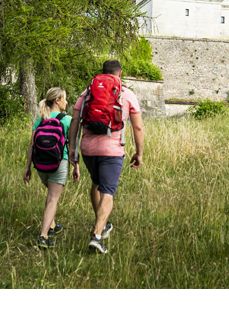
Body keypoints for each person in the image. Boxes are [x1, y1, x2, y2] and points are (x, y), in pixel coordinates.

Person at [68, 59, 144, 254]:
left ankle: (102, 224)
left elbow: (75, 119)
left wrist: (72, 149)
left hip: (88, 149)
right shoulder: (126, 93)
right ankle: (97, 235)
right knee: (108, 191)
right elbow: (138, 127)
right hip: (113, 149)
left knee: (96, 183)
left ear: (102, 73)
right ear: (120, 74)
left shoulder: (88, 92)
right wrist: (139, 153)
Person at [23, 87, 77, 249]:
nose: (66, 102)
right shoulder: (67, 120)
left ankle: (52, 226)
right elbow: (72, 146)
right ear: (58, 100)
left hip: (40, 164)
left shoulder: (40, 118)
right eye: (65, 99)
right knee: (53, 199)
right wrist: (76, 167)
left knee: (50, 196)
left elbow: (32, 145)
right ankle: (43, 236)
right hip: (59, 162)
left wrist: (28, 167)